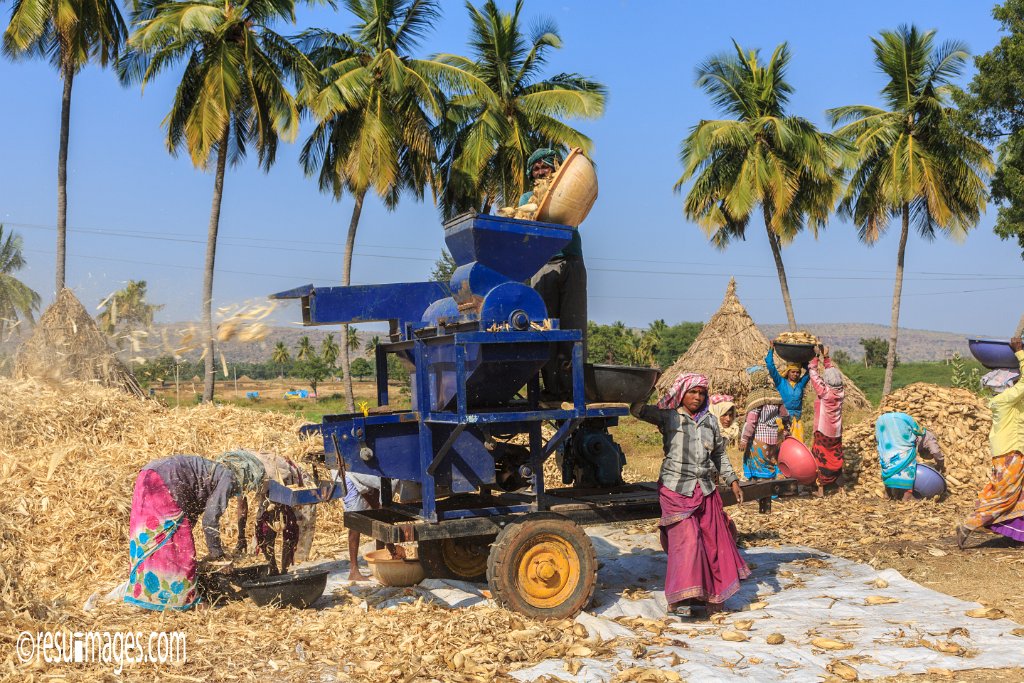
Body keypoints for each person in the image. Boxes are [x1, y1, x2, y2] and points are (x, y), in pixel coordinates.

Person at [630, 372, 749, 617]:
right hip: (676, 488)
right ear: (682, 393)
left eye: (701, 393)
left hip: (704, 488)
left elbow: (719, 455)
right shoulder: (668, 417)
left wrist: (733, 480)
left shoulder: (710, 422)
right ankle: (680, 598)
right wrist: (648, 385)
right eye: (692, 392)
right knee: (687, 541)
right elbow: (637, 409)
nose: (696, 397)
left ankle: (708, 596)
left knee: (710, 543)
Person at [125, 453, 263, 611]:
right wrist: (217, 556)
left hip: (147, 476)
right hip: (165, 482)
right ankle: (184, 600)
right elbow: (210, 520)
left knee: (152, 539)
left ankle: (148, 597)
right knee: (179, 546)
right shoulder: (229, 477)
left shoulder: (211, 471)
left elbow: (190, 511)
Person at [524, 148, 588, 400]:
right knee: (545, 326)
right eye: (536, 169)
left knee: (574, 324)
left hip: (572, 261)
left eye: (545, 167)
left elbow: (581, 200)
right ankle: (550, 387)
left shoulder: (567, 190)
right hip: (543, 265)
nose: (540, 172)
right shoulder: (527, 198)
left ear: (555, 169)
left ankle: (573, 388)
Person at [957, 337, 1024, 548]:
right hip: (1010, 454)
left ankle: (1013, 533)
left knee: (1018, 494)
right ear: (1006, 386)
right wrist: (1020, 351)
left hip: (1007, 452)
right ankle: (969, 524)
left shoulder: (1004, 401)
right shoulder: (1006, 400)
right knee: (1005, 495)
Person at [224, 451, 317, 574]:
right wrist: (241, 537)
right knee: (262, 531)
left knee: (289, 527)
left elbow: (281, 517)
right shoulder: (237, 476)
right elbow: (242, 506)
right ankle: (273, 569)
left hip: (291, 484)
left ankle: (284, 570)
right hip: (270, 488)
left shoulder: (267, 473)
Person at [739, 370, 789, 513]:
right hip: (773, 438)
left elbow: (751, 422)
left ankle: (762, 494)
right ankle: (772, 492)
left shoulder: (756, 397)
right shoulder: (776, 394)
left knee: (759, 467)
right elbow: (785, 415)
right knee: (769, 464)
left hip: (759, 438)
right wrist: (785, 429)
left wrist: (744, 438)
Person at [875, 412, 945, 501]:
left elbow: (877, 437)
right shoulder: (929, 437)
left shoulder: (897, 431)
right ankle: (907, 496)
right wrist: (940, 464)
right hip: (901, 435)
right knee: (907, 468)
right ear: (927, 451)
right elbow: (935, 451)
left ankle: (888, 493)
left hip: (884, 433)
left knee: (889, 466)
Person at [807, 346, 845, 496]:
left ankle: (821, 489)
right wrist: (827, 357)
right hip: (836, 432)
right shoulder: (841, 392)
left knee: (820, 457)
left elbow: (813, 374)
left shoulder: (825, 393)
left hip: (823, 431)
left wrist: (816, 357)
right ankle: (840, 487)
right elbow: (831, 372)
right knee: (836, 457)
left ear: (827, 382)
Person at [766, 348, 810, 443]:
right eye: (793, 372)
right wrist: (771, 350)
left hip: (797, 421)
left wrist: (803, 363)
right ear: (788, 372)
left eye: (798, 372)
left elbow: (811, 371)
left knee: (796, 446)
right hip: (782, 420)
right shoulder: (781, 382)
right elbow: (770, 366)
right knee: (782, 446)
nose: (795, 374)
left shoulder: (800, 384)